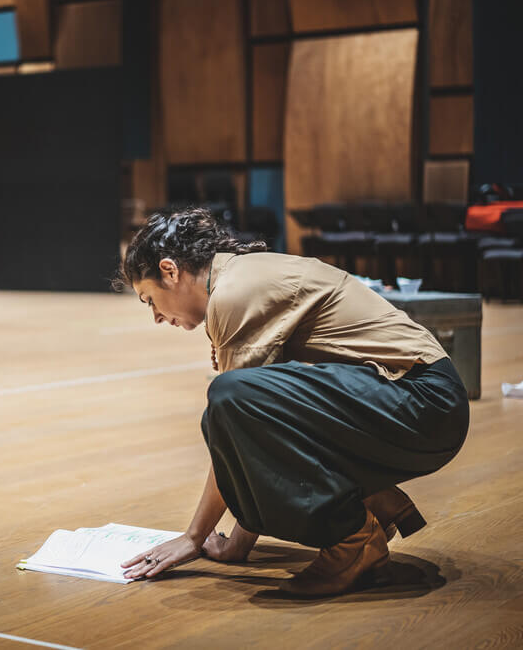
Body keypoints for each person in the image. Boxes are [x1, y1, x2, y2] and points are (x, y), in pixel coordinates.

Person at [115, 207, 469, 596]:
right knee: (233, 401)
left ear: (170, 271)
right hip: (418, 399)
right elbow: (255, 436)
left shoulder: (234, 293)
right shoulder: (241, 274)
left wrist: (194, 538)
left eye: (150, 300)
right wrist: (236, 546)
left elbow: (239, 422)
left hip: (423, 400)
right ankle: (368, 502)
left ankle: (354, 540)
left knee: (228, 395)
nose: (156, 318)